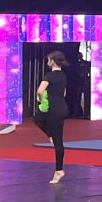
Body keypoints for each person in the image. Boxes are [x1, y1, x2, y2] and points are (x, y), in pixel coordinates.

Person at [34, 51, 70, 184]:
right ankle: (50, 135)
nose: (47, 62)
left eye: (48, 60)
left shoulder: (49, 76)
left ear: (52, 61)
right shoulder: (63, 76)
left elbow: (39, 91)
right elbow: (64, 93)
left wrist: (41, 100)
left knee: (58, 141)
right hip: (62, 107)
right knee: (38, 119)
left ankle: (59, 170)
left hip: (53, 109)